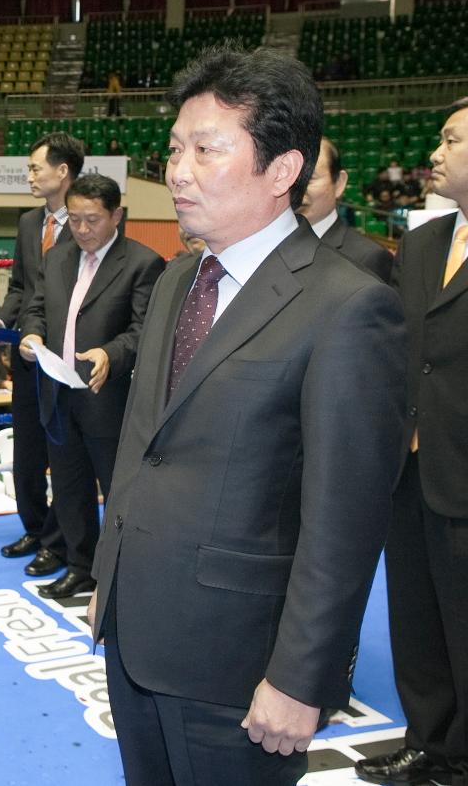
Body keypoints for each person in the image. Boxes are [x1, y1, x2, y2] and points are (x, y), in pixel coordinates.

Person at [86, 45, 406, 786]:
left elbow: (346, 518)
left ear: (282, 170)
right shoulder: (175, 280)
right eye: (173, 148)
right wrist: (112, 570)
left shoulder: (349, 307)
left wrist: (302, 675)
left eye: (206, 149)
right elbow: (144, 443)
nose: (177, 169)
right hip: (135, 633)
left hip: (241, 663)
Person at [354, 98, 468, 786]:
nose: (435, 150)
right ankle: (430, 741)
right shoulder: (423, 241)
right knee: (417, 616)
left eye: (451, 138)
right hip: (414, 462)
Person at [16, 174, 164, 599]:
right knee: (68, 486)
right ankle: (81, 566)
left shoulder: (142, 262)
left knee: (117, 491)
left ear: (116, 215)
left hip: (106, 398)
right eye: (75, 220)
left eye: (92, 220)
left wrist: (111, 355)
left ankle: (120, 574)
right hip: (57, 392)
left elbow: (144, 330)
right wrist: (31, 334)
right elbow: (36, 308)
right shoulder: (59, 257)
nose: (82, 230)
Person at [0, 132, 84, 577]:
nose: (28, 175)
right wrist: (3, 321)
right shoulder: (28, 222)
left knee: (63, 453)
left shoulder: (87, 221)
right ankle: (33, 526)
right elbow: (20, 287)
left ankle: (59, 540)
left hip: (65, 356)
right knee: (26, 451)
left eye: (34, 168)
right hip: (25, 354)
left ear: (62, 172)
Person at [299, 136, 393, 283]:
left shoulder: (368, 258)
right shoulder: (268, 247)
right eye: (290, 179)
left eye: (309, 178)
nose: (296, 190)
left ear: (339, 183)